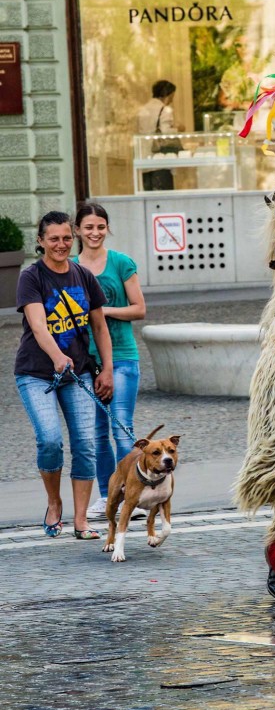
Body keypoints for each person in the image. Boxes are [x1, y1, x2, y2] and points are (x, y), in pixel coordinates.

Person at [14, 211, 114, 539]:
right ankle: (54, 502)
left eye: (67, 238)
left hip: (79, 373)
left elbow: (99, 326)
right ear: (40, 241)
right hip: (36, 372)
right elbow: (39, 325)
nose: (61, 244)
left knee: (85, 444)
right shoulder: (32, 277)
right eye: (54, 239)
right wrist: (58, 356)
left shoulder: (84, 276)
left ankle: (81, 521)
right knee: (50, 440)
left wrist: (107, 370)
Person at [72, 203, 147, 522]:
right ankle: (106, 497)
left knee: (122, 430)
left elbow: (139, 308)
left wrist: (103, 312)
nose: (95, 232)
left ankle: (133, 493)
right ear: (77, 230)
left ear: (107, 229)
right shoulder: (70, 266)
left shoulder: (121, 263)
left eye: (100, 226)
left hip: (122, 358)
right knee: (97, 434)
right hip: (86, 361)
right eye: (88, 227)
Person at [137, 79, 179, 192]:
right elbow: (166, 133)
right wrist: (178, 129)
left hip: (145, 160)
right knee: (164, 197)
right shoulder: (165, 109)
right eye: (172, 96)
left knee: (150, 196)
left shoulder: (143, 109)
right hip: (160, 159)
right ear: (167, 94)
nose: (171, 100)